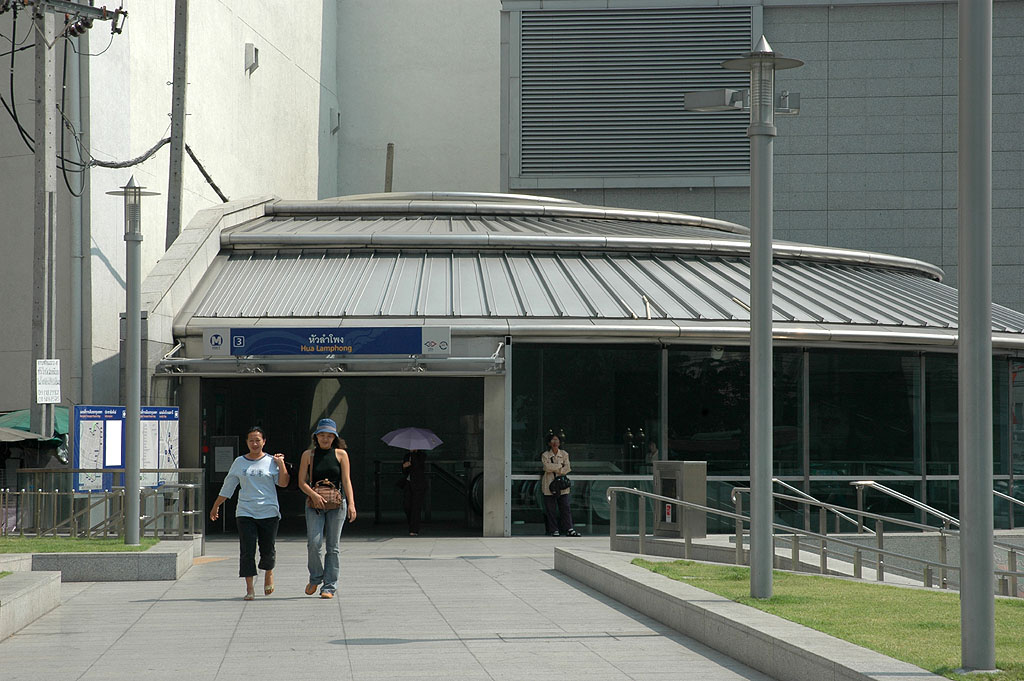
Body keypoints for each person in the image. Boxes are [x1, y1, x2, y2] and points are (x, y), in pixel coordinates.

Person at [209, 426, 289, 600]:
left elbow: (283, 483)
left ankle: (268, 572)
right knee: (247, 550)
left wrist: (281, 464)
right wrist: (216, 505)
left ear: (264, 441)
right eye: (251, 440)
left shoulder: (271, 461)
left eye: (257, 440)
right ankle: (250, 588)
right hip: (245, 511)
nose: (254, 443)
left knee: (267, 549)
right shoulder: (239, 462)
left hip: (268, 511)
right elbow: (228, 485)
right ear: (246, 442)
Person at [298, 418, 357, 599]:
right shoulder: (308, 455)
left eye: (329, 436)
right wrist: (314, 495)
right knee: (314, 543)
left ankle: (329, 586)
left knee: (333, 546)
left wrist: (352, 504)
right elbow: (301, 481)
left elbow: (346, 480)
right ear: (316, 437)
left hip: (336, 503)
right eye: (322, 435)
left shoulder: (341, 454)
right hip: (314, 504)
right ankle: (316, 577)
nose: (325, 439)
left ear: (335, 437)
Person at [540, 434, 580, 537]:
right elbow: (546, 467)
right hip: (549, 485)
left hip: (562, 485)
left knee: (565, 508)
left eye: (557, 440)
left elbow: (567, 468)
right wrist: (559, 466)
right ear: (549, 443)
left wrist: (556, 468)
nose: (555, 442)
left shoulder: (564, 454)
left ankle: (569, 528)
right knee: (551, 509)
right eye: (553, 440)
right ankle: (553, 529)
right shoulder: (545, 455)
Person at [401, 449, 427, 535]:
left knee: (416, 507)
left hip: (418, 484)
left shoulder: (421, 455)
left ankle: (414, 529)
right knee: (407, 505)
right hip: (408, 483)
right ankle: (411, 523)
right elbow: (404, 471)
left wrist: (413, 456)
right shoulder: (407, 456)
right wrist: (404, 466)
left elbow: (418, 467)